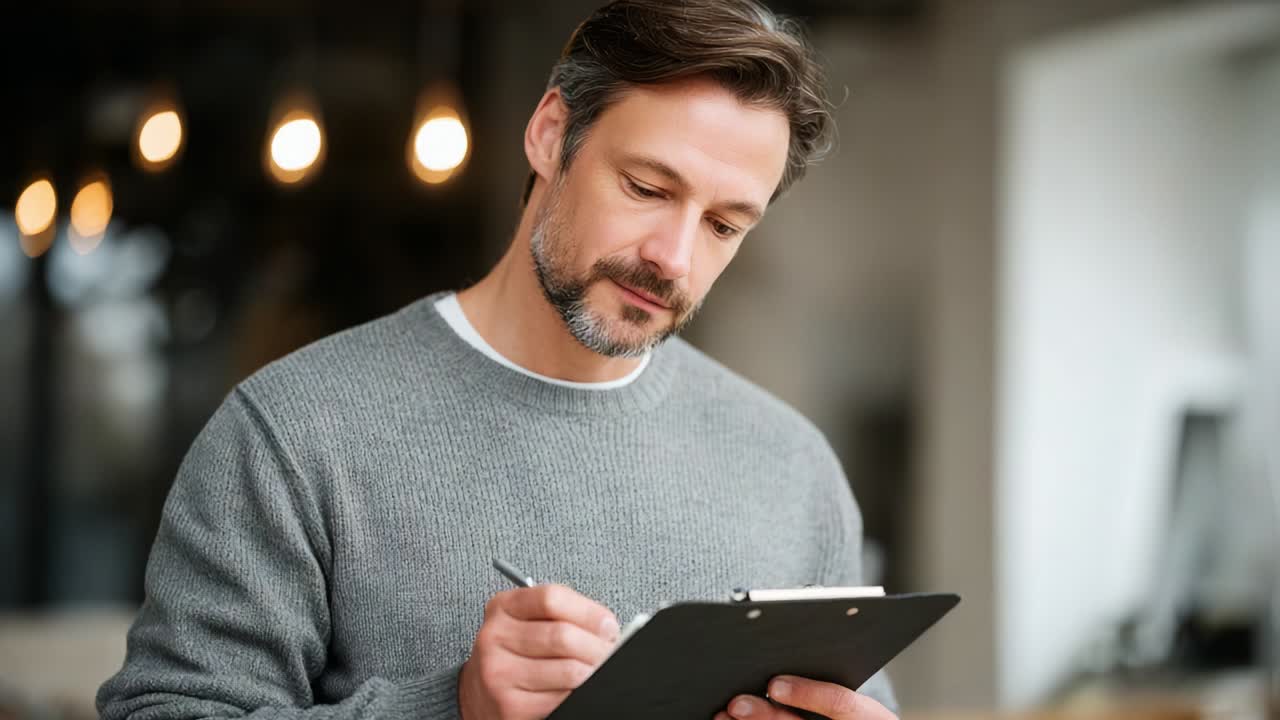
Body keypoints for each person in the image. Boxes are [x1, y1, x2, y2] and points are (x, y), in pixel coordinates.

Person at [97, 1, 899, 718]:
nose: (675, 258)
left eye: (724, 225)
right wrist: (450, 709)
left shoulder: (794, 469)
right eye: (647, 188)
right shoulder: (293, 434)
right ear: (551, 134)